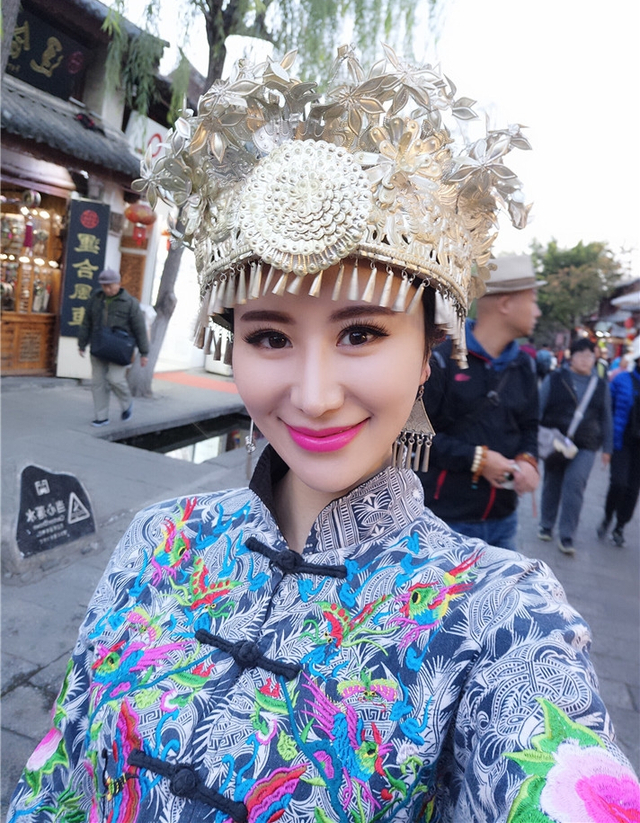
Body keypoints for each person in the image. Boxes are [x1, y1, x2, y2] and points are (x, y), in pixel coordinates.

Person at [9, 48, 638, 823]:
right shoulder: (157, 543)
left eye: (361, 333)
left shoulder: (501, 618)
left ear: (427, 355)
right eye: (270, 337)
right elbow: (56, 777)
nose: (313, 396)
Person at [417, 254, 542, 552]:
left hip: (504, 519)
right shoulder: (441, 360)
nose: (538, 311)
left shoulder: (524, 365)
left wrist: (528, 461)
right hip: (444, 520)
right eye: (533, 300)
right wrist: (478, 460)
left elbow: (530, 427)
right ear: (505, 303)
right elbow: (415, 437)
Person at [538, 338, 613, 554]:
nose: (585, 359)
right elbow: (539, 407)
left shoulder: (601, 386)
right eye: (580, 354)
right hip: (555, 439)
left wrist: (607, 449)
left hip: (586, 443)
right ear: (572, 356)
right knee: (552, 482)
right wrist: (532, 436)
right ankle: (546, 524)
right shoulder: (556, 378)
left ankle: (567, 535)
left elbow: (606, 418)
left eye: (589, 355)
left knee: (575, 484)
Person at [77, 268, 149, 427]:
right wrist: (82, 344)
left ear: (119, 284)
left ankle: (127, 402)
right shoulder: (96, 299)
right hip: (98, 346)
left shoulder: (130, 302)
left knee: (115, 378)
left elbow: (139, 329)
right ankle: (101, 417)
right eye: (104, 286)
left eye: (110, 285)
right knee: (98, 382)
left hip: (119, 349)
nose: (107, 289)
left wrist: (144, 353)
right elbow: (86, 322)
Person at [597, 350, 640, 546]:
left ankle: (620, 525)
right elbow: (607, 410)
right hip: (621, 441)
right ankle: (608, 516)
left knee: (632, 489)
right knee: (619, 483)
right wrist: (605, 440)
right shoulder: (621, 380)